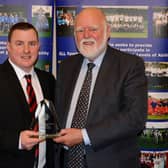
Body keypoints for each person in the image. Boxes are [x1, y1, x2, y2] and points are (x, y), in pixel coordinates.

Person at [54, 7, 148, 168]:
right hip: (66, 160)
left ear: (108, 31)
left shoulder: (130, 65)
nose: (86, 35)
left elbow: (135, 118)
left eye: (93, 29)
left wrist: (83, 135)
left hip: (110, 162)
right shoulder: (66, 67)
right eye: (80, 30)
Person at [0, 22, 55, 168]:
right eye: (19, 43)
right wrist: (17, 140)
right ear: (8, 47)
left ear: (38, 47)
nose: (26, 50)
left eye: (32, 43)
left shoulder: (48, 80)